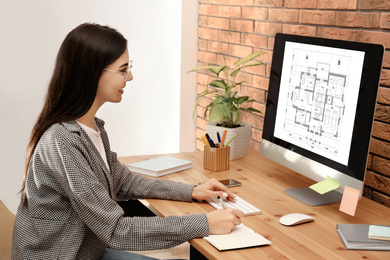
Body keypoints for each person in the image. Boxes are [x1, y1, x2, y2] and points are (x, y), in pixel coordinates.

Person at [11, 23, 244, 260]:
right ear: (92, 72)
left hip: (89, 251)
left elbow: (123, 181)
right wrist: (204, 222)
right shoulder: (62, 142)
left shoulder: (93, 128)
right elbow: (116, 231)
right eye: (123, 69)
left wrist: (192, 191)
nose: (130, 77)